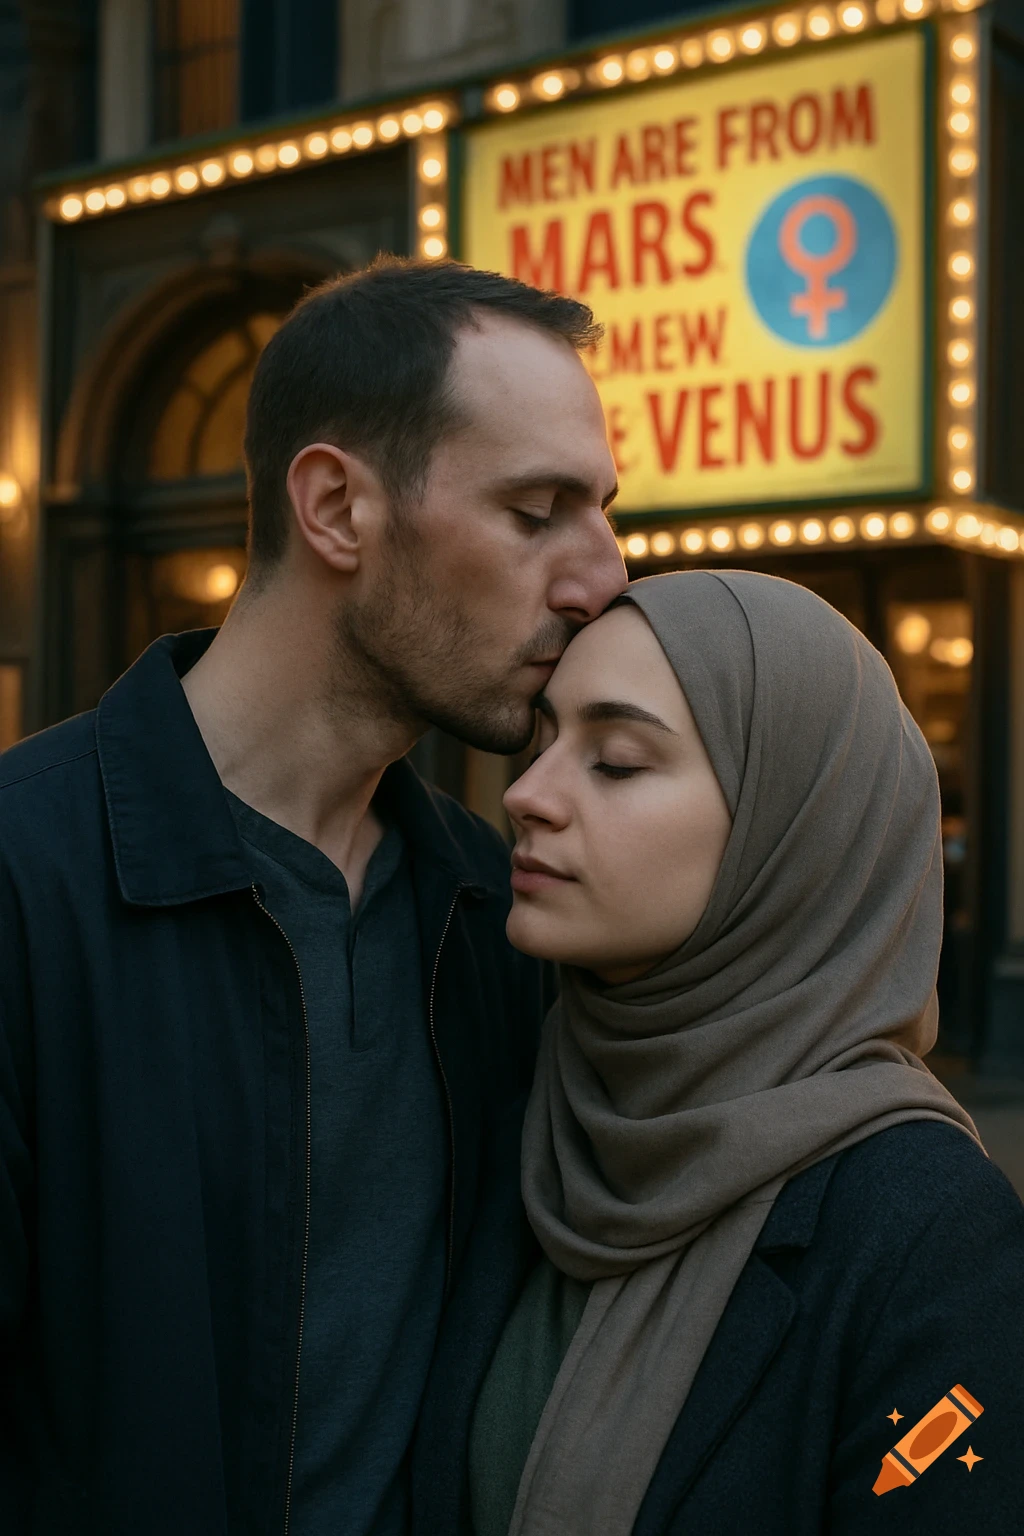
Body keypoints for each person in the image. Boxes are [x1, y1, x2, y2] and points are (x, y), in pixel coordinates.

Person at [0, 258, 625, 1535]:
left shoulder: (494, 913)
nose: (599, 578)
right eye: (536, 511)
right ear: (337, 507)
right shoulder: (22, 878)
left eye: (602, 512)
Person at [458, 570, 1024, 1536]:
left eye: (619, 760)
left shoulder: (926, 1230)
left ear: (785, 830)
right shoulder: (524, 1116)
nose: (526, 794)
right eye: (545, 738)